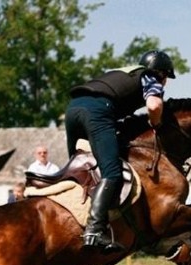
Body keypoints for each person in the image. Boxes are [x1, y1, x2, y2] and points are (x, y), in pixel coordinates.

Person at [65, 50, 175, 252]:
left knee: (77, 167)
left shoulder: (122, 73)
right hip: (97, 111)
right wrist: (156, 123)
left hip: (73, 109)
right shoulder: (150, 77)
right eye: (167, 77)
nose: (165, 82)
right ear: (162, 73)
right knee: (112, 172)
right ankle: (94, 231)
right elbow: (154, 104)